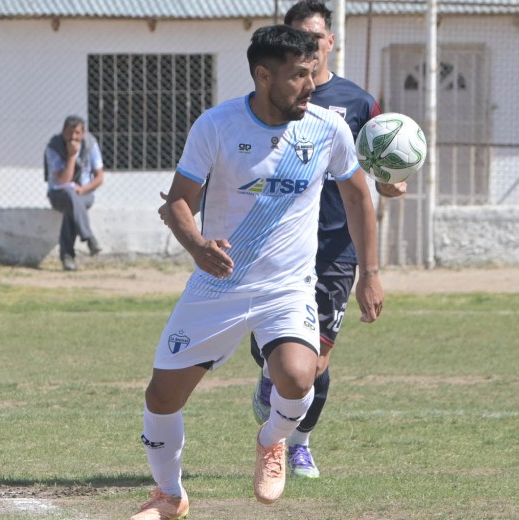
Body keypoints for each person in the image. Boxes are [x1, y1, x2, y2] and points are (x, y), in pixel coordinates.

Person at [132, 24, 383, 519]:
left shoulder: (326, 127)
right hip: (217, 284)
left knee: (297, 377)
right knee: (162, 395)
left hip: (286, 288)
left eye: (312, 74)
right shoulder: (217, 125)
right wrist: (199, 245)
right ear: (263, 76)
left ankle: (273, 442)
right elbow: (180, 201)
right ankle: (169, 495)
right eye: (298, 76)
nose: (311, 86)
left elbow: (357, 195)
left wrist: (370, 272)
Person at [247, 0, 408, 480]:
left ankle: (297, 444)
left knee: (315, 361)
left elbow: (371, 172)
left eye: (314, 41)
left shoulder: (358, 103)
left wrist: (387, 181)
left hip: (336, 248)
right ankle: (270, 377)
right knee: (275, 357)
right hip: (275, 247)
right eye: (298, 41)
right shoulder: (274, 95)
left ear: (330, 42)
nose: (308, 51)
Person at [45, 116, 104, 271]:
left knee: (72, 206)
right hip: (58, 194)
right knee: (71, 195)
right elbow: (64, 181)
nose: (73, 137)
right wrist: (71, 156)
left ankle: (67, 257)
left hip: (85, 193)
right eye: (69, 133)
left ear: (83, 133)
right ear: (63, 132)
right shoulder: (54, 147)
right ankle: (88, 237)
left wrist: (83, 190)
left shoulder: (91, 145)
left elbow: (99, 178)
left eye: (77, 133)